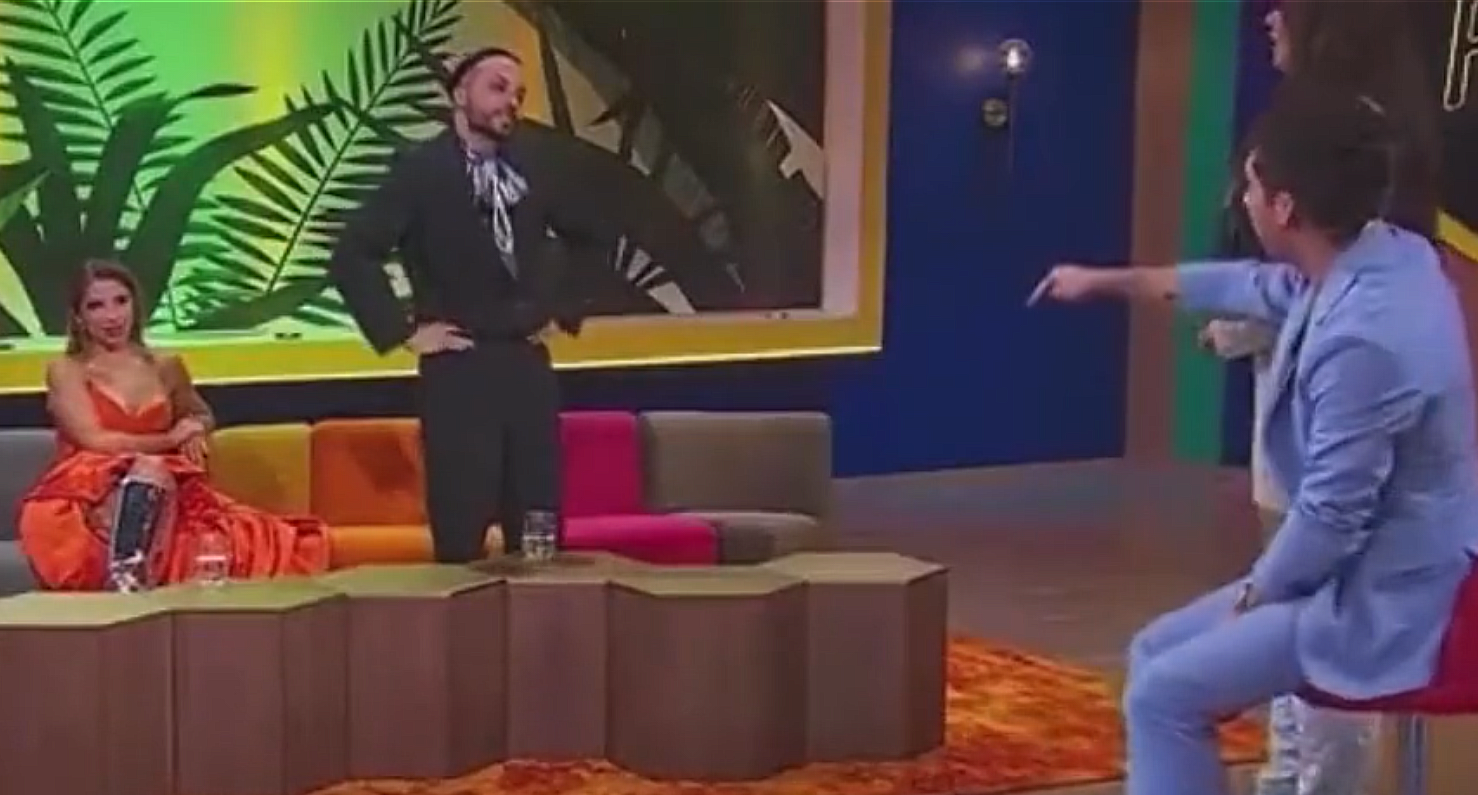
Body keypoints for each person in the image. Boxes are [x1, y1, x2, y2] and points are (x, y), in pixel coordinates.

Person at [1030, 80, 1478, 795]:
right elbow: (1251, 286)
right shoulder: (1386, 256)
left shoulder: (1365, 340)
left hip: (1394, 600)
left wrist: (1254, 596)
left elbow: (1332, 517)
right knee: (1153, 654)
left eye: (1250, 186)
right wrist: (1105, 281)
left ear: (1285, 206)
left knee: (1163, 698)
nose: (1242, 200)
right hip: (1353, 569)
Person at [1197, 2, 1442, 792]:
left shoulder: (1361, 142)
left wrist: (1244, 321)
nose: (1267, 18)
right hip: (1296, 426)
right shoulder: (1319, 123)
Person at [329, 47, 604, 562]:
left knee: (540, 528)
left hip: (525, 367)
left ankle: (541, 614)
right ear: (460, 94)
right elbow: (352, 254)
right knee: (461, 531)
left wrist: (561, 309)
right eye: (498, 88)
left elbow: (591, 236)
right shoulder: (421, 170)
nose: (511, 102)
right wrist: (404, 332)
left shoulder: (534, 166)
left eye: (519, 94)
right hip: (459, 369)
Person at [18, 260, 331, 590]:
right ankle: (127, 578)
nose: (112, 316)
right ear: (79, 317)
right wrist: (169, 439)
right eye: (96, 306)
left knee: (163, 481)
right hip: (89, 483)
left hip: (165, 480)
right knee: (148, 470)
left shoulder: (165, 366)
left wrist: (194, 427)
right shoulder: (67, 370)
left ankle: (132, 577)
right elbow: (95, 440)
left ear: (136, 305)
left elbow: (200, 414)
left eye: (121, 301)